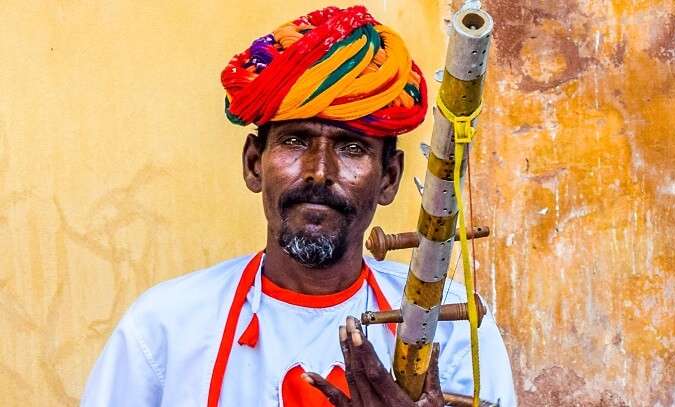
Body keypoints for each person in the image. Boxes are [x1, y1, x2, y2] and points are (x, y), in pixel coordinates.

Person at [81, 6, 515, 406]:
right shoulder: (165, 328)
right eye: (294, 141)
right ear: (254, 164)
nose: (319, 171)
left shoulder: (453, 326)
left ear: (389, 178)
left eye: (351, 147)